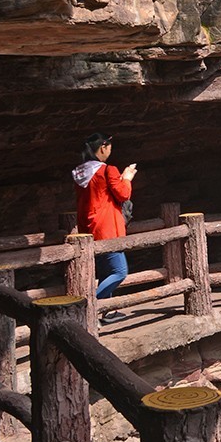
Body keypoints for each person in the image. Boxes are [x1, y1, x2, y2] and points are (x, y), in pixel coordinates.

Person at [73, 133, 136, 326]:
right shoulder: (108, 170)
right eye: (109, 147)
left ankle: (107, 312)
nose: (110, 150)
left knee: (105, 272)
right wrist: (127, 177)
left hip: (89, 228)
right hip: (108, 229)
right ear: (103, 147)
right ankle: (85, 307)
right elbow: (123, 194)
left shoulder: (80, 172)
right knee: (119, 271)